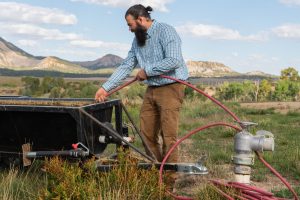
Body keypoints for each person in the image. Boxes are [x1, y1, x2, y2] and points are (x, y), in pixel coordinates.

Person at [95, 4, 188, 168]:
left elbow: (174, 60)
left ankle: (169, 179)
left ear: (140, 19)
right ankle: (158, 170)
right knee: (146, 135)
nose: (129, 29)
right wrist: (105, 88)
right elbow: (127, 65)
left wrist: (148, 71)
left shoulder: (166, 31)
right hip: (152, 88)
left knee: (168, 135)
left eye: (130, 24)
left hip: (171, 87)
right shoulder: (137, 40)